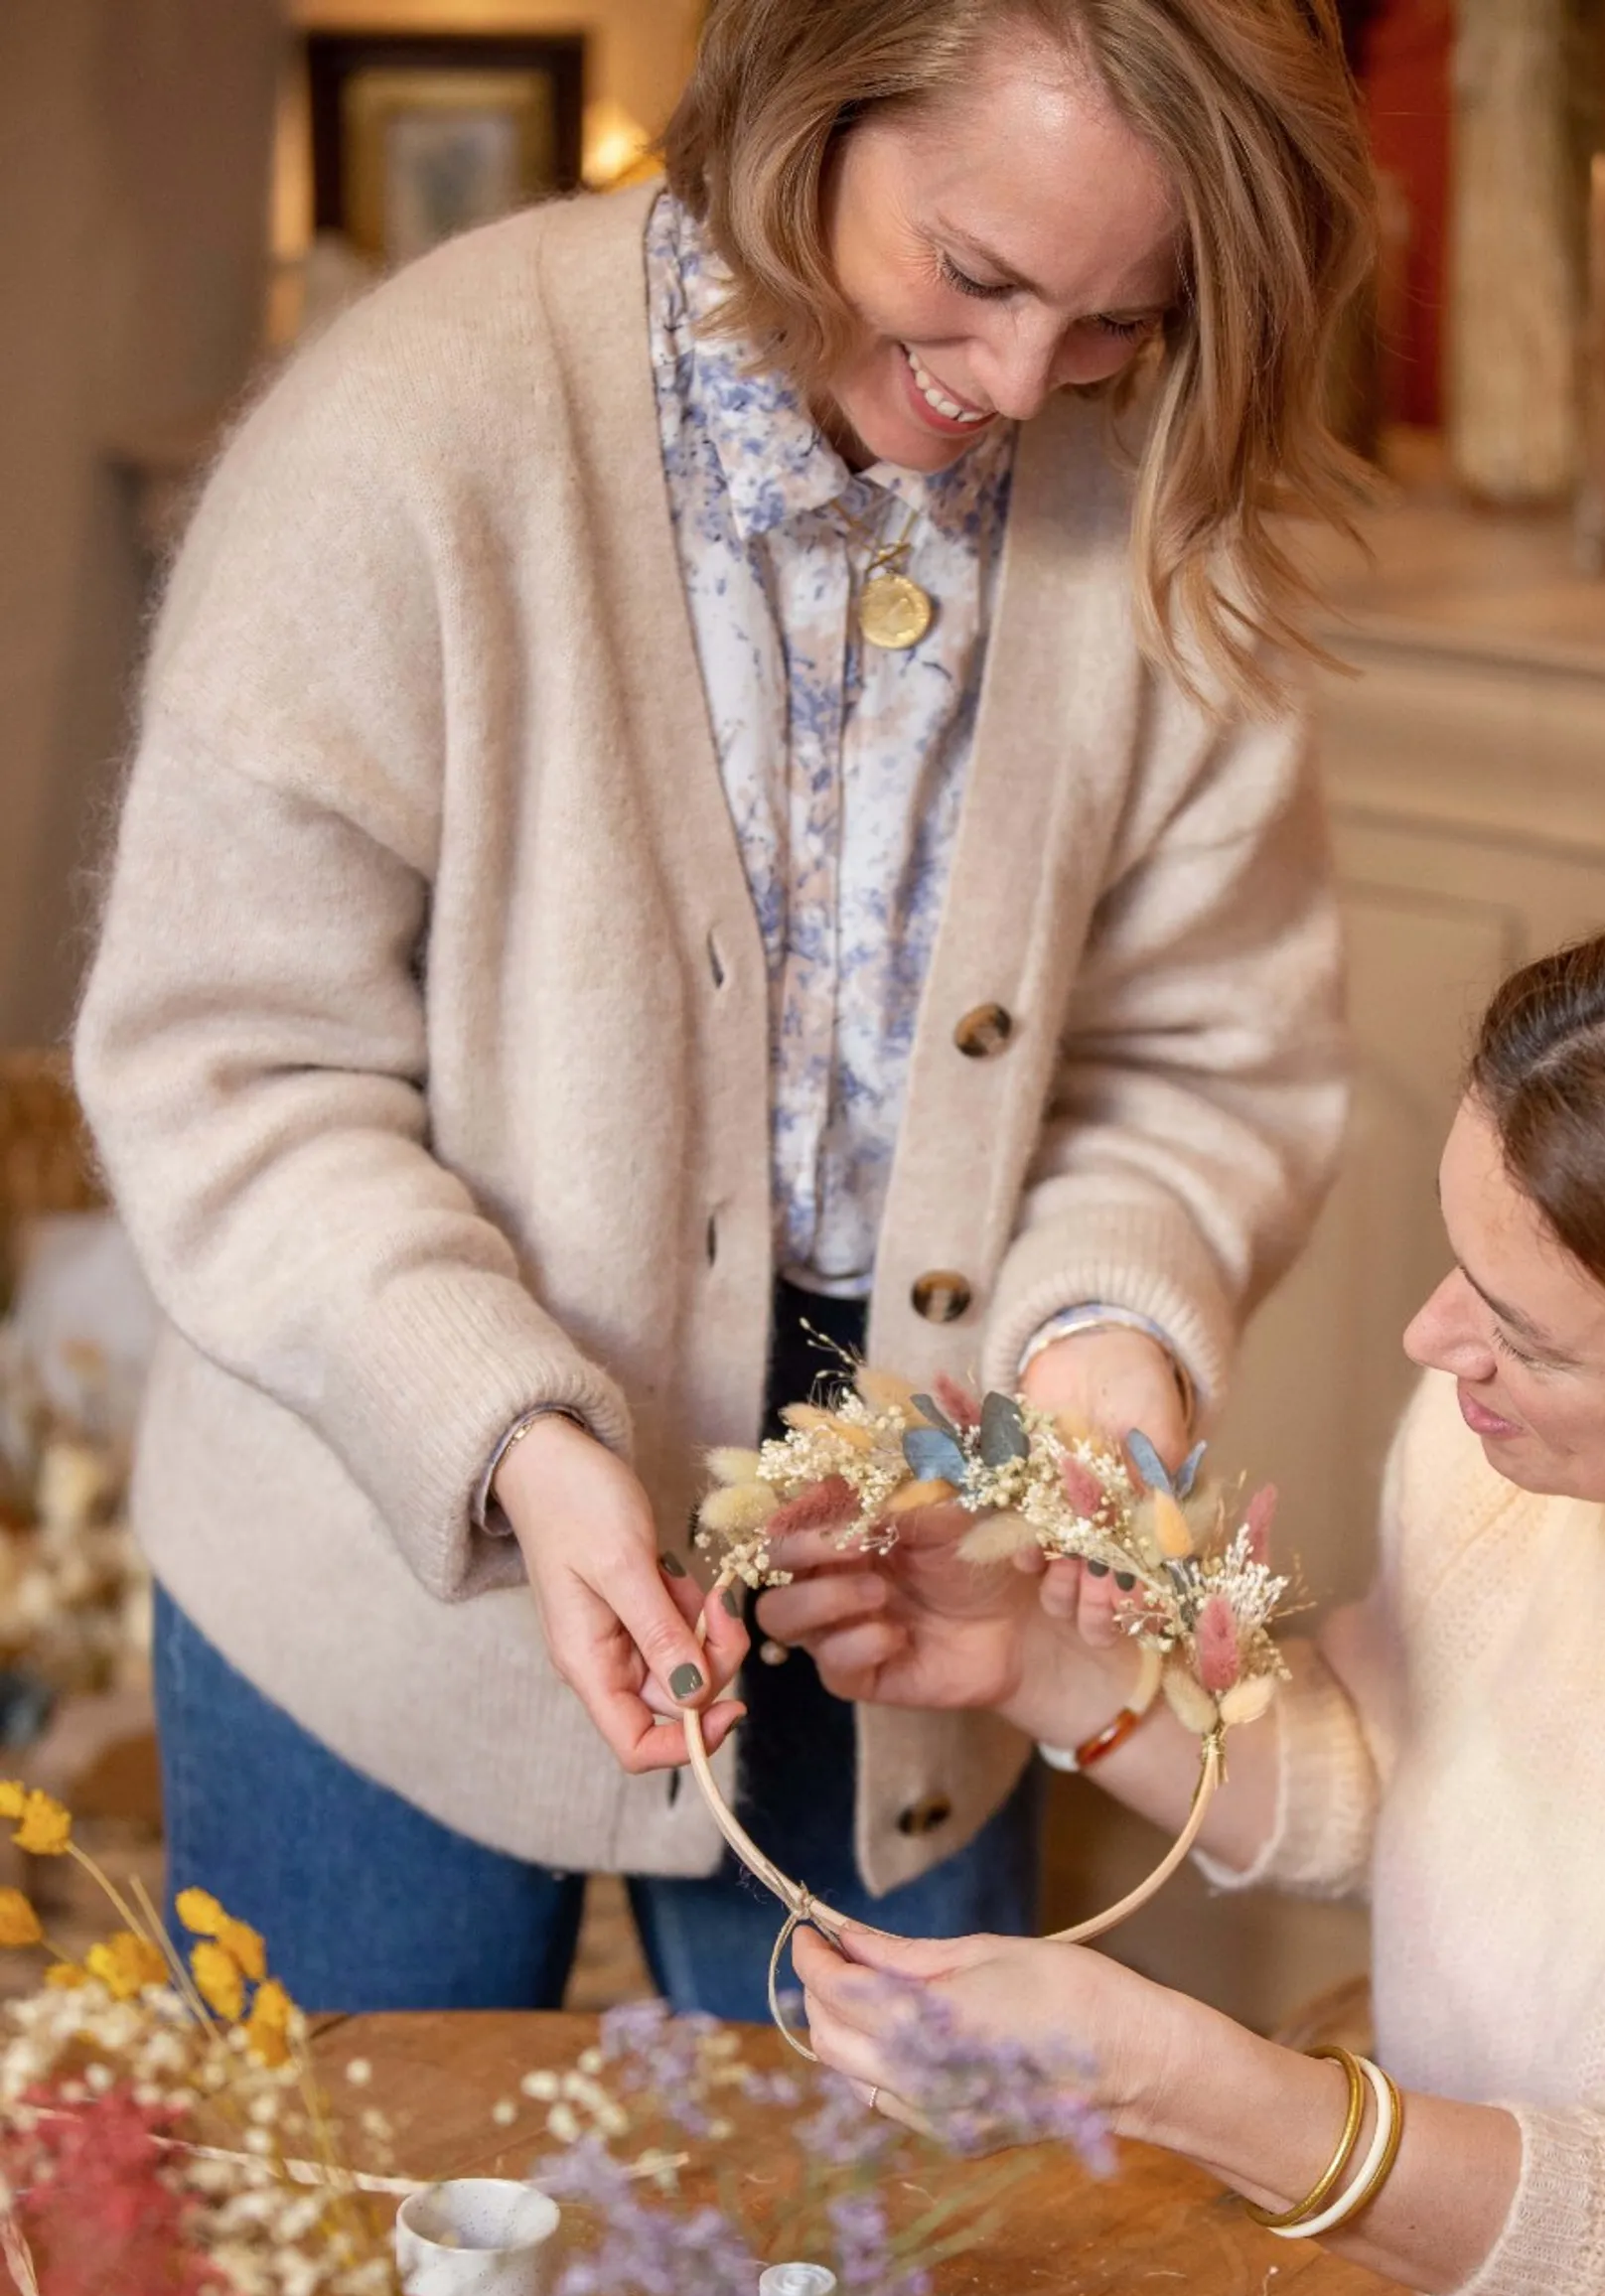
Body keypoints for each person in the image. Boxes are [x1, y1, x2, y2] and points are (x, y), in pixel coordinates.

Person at [73, 0, 1373, 2016]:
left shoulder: (1163, 486)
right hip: (380, 1516)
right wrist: (502, 1428)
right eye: (976, 272)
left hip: (926, 1556)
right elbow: (227, 1067)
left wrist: (1111, 1351)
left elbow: (1203, 1060)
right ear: (808, 106)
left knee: (888, 2282)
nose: (1024, 383)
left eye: (1122, 317)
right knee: (374, 2262)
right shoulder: (411, 429)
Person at [775, 888, 1605, 2296]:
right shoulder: (1500, 1459)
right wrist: (1044, 1664)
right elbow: (1398, 1778)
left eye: (1529, 1336)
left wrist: (1171, 2078)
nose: (1431, 1343)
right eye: (1463, 1266)